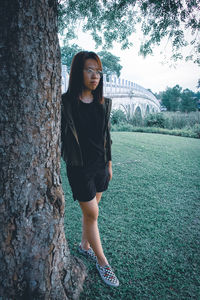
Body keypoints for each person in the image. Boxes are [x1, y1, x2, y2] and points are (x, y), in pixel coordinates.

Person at [61, 51, 119, 287]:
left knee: (90, 213)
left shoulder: (103, 103)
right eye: (89, 70)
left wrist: (109, 164)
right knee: (92, 214)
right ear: (78, 72)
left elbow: (107, 136)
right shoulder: (65, 103)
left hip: (100, 166)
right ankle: (103, 263)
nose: (95, 76)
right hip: (79, 168)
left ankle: (84, 246)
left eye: (98, 71)